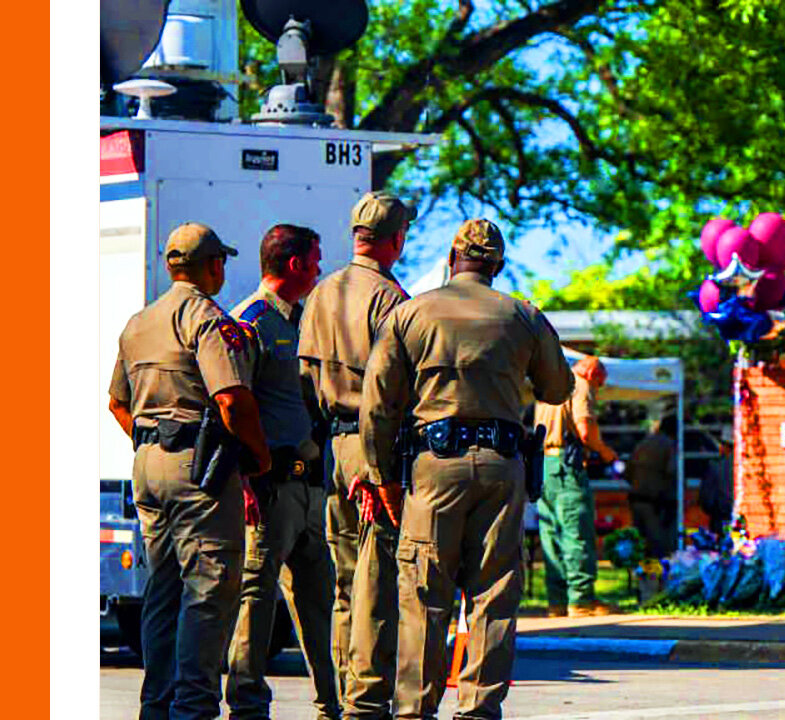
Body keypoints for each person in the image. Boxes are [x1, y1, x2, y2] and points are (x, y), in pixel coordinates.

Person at [359, 218, 573, 720]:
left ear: (452, 259)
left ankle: (414, 711)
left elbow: (377, 407)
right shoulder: (523, 316)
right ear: (497, 265)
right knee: (493, 596)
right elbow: (558, 390)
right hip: (502, 467)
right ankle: (478, 711)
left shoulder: (410, 313)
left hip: (434, 467)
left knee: (423, 598)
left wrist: (381, 476)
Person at [107, 222, 272, 720]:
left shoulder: (138, 322)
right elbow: (230, 399)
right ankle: (193, 708)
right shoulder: (205, 317)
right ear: (214, 266)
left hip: (148, 463)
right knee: (210, 586)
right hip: (198, 471)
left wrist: (153, 441)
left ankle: (157, 705)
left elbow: (117, 403)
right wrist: (258, 459)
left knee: (164, 586)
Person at [298, 192, 414, 719]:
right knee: (378, 581)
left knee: (345, 582)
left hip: (334, 445)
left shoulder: (322, 292)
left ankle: (341, 697)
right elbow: (391, 390)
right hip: (375, 448)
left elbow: (304, 379)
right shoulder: (389, 297)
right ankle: (367, 701)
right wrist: (379, 466)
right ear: (395, 239)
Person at [225, 224, 340, 720]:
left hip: (310, 485)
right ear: (294, 264)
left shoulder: (304, 321)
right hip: (268, 490)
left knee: (320, 601)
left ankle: (332, 704)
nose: (318, 269)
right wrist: (245, 481)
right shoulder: (247, 323)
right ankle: (247, 705)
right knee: (256, 599)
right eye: (314, 260)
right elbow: (229, 405)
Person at [535, 355, 620, 618]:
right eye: (600, 383)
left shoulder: (551, 385)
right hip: (568, 467)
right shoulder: (580, 385)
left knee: (551, 535)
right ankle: (581, 600)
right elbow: (585, 429)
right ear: (592, 372)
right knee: (576, 532)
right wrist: (607, 454)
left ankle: (557, 601)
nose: (598, 389)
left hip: (544, 466)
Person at [624, 416, 679, 558]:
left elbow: (628, 472)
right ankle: (657, 578)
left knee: (640, 546)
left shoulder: (643, 443)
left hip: (636, 499)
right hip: (656, 502)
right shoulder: (669, 445)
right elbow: (672, 472)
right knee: (659, 548)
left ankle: (641, 576)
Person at [698, 426, 735, 539]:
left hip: (720, 519)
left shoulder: (716, 467)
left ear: (725, 446)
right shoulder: (748, 466)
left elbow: (706, 499)